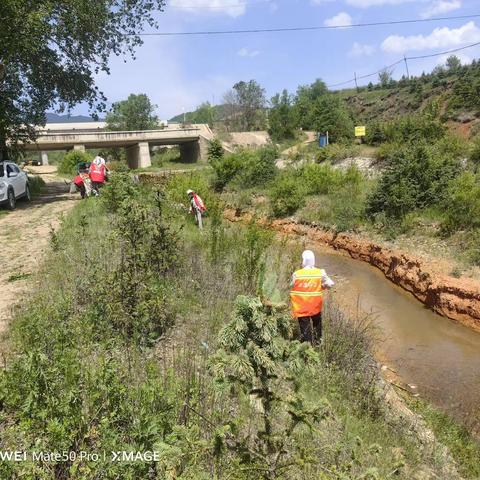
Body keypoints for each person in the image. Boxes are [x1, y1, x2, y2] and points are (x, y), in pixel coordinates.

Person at [290, 250, 334, 344]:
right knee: (317, 325)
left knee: (305, 329)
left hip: (301, 307)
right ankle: (318, 343)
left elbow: (292, 285)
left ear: (304, 260)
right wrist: (322, 286)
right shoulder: (320, 272)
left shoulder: (297, 274)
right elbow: (330, 284)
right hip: (315, 306)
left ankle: (308, 349)